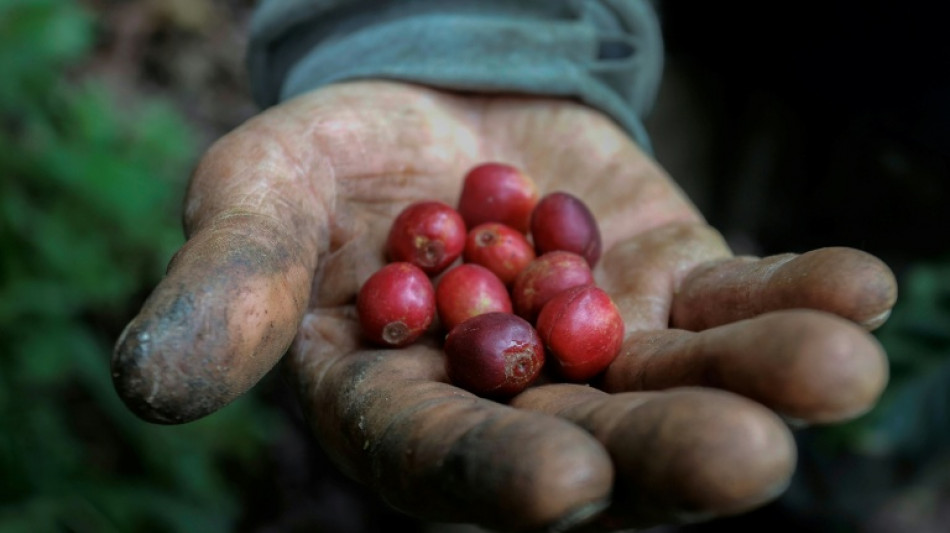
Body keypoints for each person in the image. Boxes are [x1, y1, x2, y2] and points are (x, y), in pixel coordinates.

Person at [111, 1, 897, 531]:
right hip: (669, 49)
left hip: (902, 135)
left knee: (790, 415)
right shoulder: (480, 272)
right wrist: (490, 27)